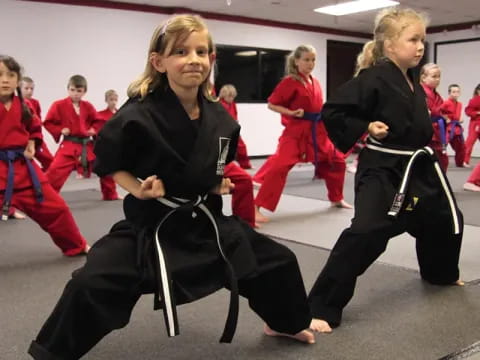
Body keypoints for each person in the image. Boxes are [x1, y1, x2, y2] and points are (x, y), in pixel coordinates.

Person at [28, 15, 315, 360]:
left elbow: (220, 164)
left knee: (278, 262)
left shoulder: (222, 119)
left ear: (211, 59)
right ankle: (51, 352)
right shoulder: (137, 115)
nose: (193, 59)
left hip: (206, 223)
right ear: (159, 62)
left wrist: (216, 182)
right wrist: (137, 188)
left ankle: (285, 321)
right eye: (180, 51)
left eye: (201, 51)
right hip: (152, 226)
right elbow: (109, 159)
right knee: (91, 282)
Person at [307, 8, 464, 334]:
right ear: (389, 44)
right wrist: (366, 125)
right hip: (384, 167)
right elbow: (333, 111)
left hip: (419, 165)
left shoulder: (412, 80)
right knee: (367, 231)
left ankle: (440, 273)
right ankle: (320, 306)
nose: (420, 46)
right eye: (412, 39)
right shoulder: (374, 78)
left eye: (423, 39)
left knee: (446, 219)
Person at [0, 55, 89, 256]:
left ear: (17, 80)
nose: (5, 80)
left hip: (25, 173)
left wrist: (32, 141)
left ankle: (76, 245)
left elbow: (35, 127)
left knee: (57, 209)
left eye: (10, 75)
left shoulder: (25, 106)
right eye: (0, 75)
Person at [253, 44, 351, 221]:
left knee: (337, 161)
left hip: (318, 130)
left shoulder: (315, 82)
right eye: (306, 59)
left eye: (313, 60)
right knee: (280, 166)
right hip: (297, 131)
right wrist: (290, 113)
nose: (310, 63)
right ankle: (255, 207)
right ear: (297, 61)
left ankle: (336, 198)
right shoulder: (289, 82)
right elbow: (272, 104)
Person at [44, 75, 103, 192]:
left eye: (79, 91)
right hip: (69, 144)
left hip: (86, 145)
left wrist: (93, 129)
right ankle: (47, 198)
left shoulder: (88, 106)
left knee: (106, 166)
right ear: (68, 89)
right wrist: (60, 130)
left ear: (84, 92)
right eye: (72, 90)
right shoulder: (58, 105)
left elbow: (98, 121)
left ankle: (110, 194)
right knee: (54, 173)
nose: (75, 93)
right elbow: (48, 122)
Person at [20, 76, 55, 171]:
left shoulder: (35, 102)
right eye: (26, 88)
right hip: (23, 140)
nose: (29, 91)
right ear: (19, 89)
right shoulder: (17, 103)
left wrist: (37, 137)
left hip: (36, 139)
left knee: (50, 162)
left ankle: (46, 178)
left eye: (31, 89)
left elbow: (38, 121)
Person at [420, 63, 449, 171]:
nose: (437, 79)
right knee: (431, 160)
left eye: (439, 76)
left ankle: (439, 184)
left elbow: (440, 111)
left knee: (442, 160)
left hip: (437, 130)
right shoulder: (420, 92)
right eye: (434, 76)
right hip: (426, 132)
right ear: (423, 77)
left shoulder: (436, 94)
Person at [96, 89, 122, 200]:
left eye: (115, 99)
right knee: (105, 171)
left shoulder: (120, 113)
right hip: (105, 144)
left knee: (115, 170)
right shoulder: (99, 115)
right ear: (106, 100)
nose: (114, 102)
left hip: (117, 144)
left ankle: (112, 193)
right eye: (111, 99)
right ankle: (107, 194)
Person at [219, 84, 252, 169]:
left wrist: (236, 123)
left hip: (233, 128)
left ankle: (245, 165)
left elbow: (235, 115)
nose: (231, 99)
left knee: (241, 146)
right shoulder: (220, 104)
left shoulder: (233, 104)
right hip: (223, 129)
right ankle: (221, 166)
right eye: (229, 96)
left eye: (233, 97)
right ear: (223, 95)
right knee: (223, 147)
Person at [441, 84, 466, 167]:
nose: (456, 94)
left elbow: (458, 115)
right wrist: (446, 118)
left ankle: (460, 163)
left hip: (456, 127)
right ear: (449, 93)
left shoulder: (459, 104)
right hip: (448, 127)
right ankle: (439, 162)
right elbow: (439, 112)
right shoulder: (446, 103)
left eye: (458, 92)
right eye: (454, 92)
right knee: (442, 146)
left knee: (461, 146)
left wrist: (460, 119)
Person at [464, 84, 480, 166]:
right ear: (478, 91)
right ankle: (464, 160)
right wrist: (477, 113)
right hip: (475, 124)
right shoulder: (474, 100)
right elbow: (468, 111)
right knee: (470, 142)